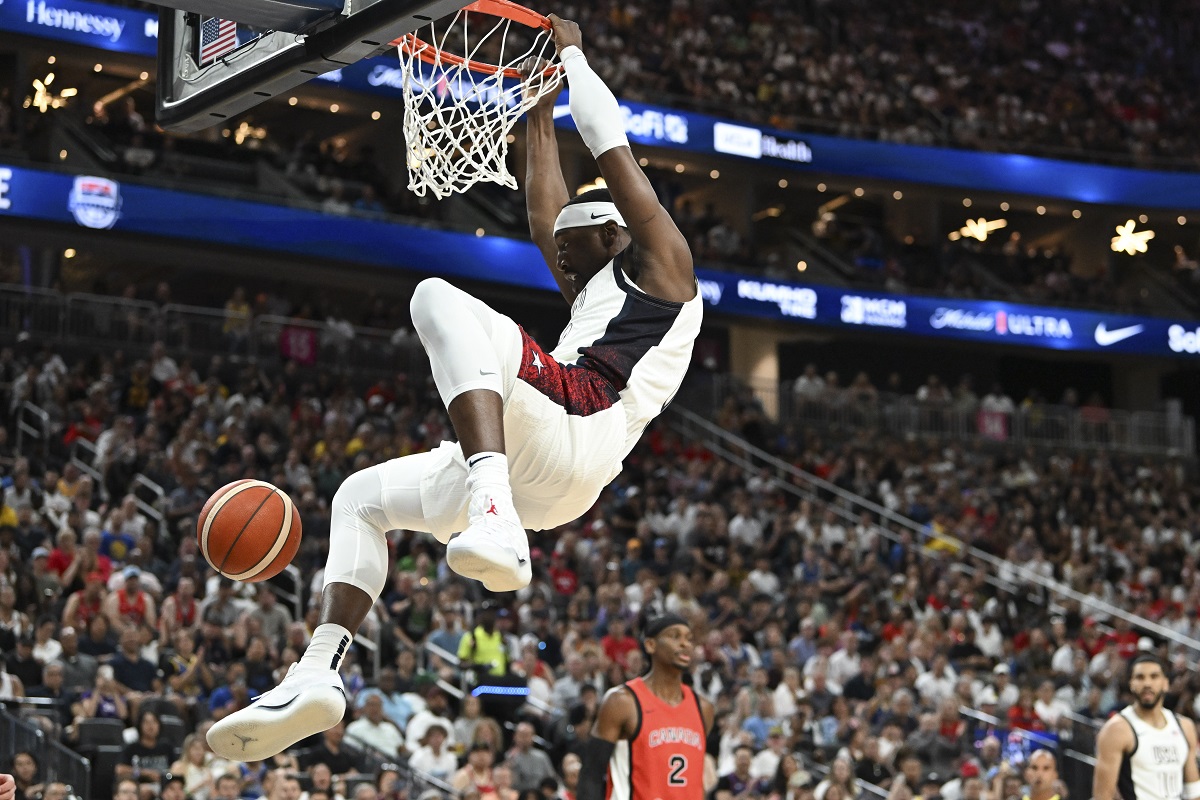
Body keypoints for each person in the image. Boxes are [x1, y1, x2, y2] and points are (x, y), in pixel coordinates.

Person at [208, 11, 701, 763]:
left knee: (437, 297)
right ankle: (317, 674)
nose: (559, 263)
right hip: (561, 475)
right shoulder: (603, 296)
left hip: (575, 423)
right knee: (359, 498)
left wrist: (572, 61)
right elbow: (546, 214)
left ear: (610, 237)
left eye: (571, 253)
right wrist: (538, 101)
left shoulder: (664, 265)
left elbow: (611, 147)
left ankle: (492, 509)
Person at [580, 614, 714, 800]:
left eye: (689, 638)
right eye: (675, 636)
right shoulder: (622, 702)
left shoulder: (703, 708)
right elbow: (591, 775)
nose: (685, 644)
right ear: (651, 645)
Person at [1094, 654, 1199, 800]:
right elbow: (1102, 796)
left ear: (1165, 683)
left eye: (1154, 676)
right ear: (1131, 683)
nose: (1147, 683)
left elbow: (1194, 791)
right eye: (1140, 677)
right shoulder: (1117, 729)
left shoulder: (1185, 726)